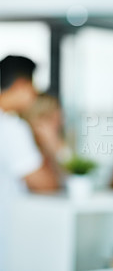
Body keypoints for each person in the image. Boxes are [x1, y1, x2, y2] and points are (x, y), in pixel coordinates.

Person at [0, 55, 59, 269]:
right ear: (21, 85)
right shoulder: (11, 128)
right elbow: (45, 185)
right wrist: (50, 144)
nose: (34, 95)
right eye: (33, 86)